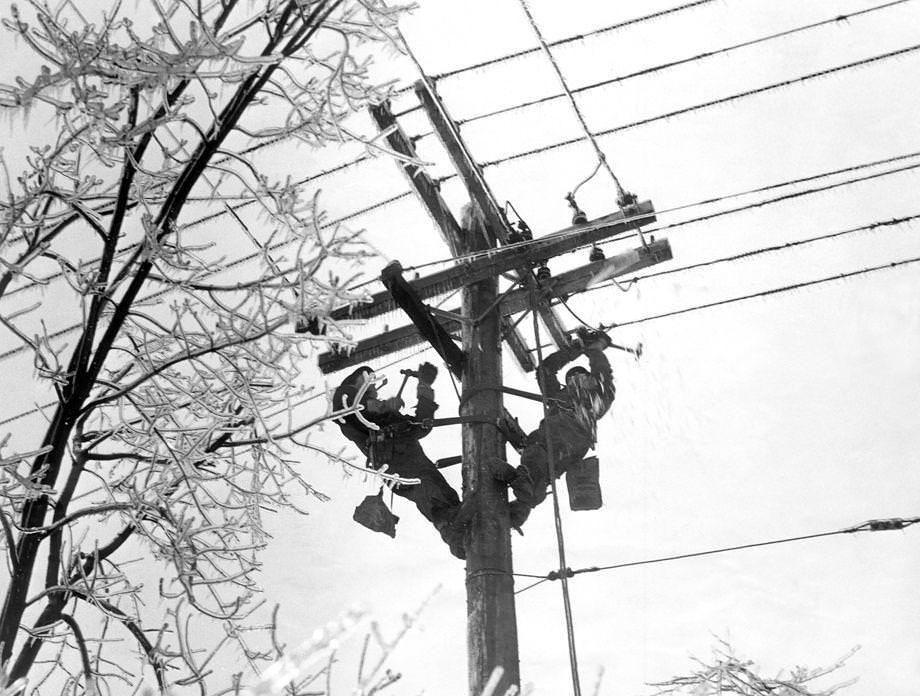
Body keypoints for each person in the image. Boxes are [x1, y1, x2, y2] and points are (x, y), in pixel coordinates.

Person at [332, 362, 465, 559]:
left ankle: (463, 529)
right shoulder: (346, 398)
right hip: (396, 466)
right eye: (370, 382)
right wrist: (384, 406)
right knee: (433, 498)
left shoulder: (386, 415)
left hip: (415, 464)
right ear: (358, 381)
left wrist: (424, 388)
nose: (374, 389)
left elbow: (420, 427)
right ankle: (456, 536)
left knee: (445, 496)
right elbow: (347, 409)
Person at [505, 328, 616, 529]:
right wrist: (577, 349)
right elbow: (545, 370)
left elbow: (603, 373)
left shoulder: (597, 396)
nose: (576, 380)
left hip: (567, 435)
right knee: (543, 471)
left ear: (588, 379)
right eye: (572, 378)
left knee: (537, 458)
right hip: (567, 444)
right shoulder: (559, 396)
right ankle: (521, 508)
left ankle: (524, 498)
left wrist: (593, 349)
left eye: (580, 376)